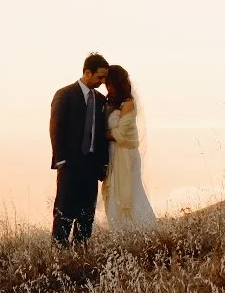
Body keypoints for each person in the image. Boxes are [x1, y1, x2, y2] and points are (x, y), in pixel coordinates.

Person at [49, 53, 111, 242]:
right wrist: (61, 161)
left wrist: (103, 164)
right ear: (87, 72)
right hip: (69, 165)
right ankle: (59, 254)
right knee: (64, 212)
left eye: (104, 78)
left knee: (86, 215)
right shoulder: (65, 94)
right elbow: (56, 128)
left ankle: (82, 254)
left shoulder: (101, 100)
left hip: (91, 167)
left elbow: (102, 135)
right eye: (99, 77)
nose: (102, 81)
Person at [101, 64, 157, 230]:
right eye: (106, 85)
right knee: (113, 191)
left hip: (126, 153)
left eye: (110, 85)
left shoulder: (128, 103)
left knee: (130, 190)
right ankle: (119, 231)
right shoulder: (108, 102)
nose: (108, 89)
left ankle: (141, 229)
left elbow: (124, 133)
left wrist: (101, 135)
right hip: (112, 154)